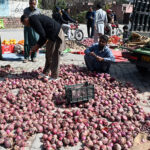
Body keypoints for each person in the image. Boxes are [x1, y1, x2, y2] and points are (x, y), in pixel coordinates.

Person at [20, 14, 66, 80]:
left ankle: (54, 76)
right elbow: (43, 34)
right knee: (48, 54)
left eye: (24, 23)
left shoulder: (33, 20)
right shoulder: (32, 21)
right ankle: (45, 72)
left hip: (56, 34)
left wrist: (37, 46)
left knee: (54, 56)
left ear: (26, 20)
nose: (25, 25)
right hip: (50, 35)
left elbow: (43, 35)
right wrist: (37, 45)